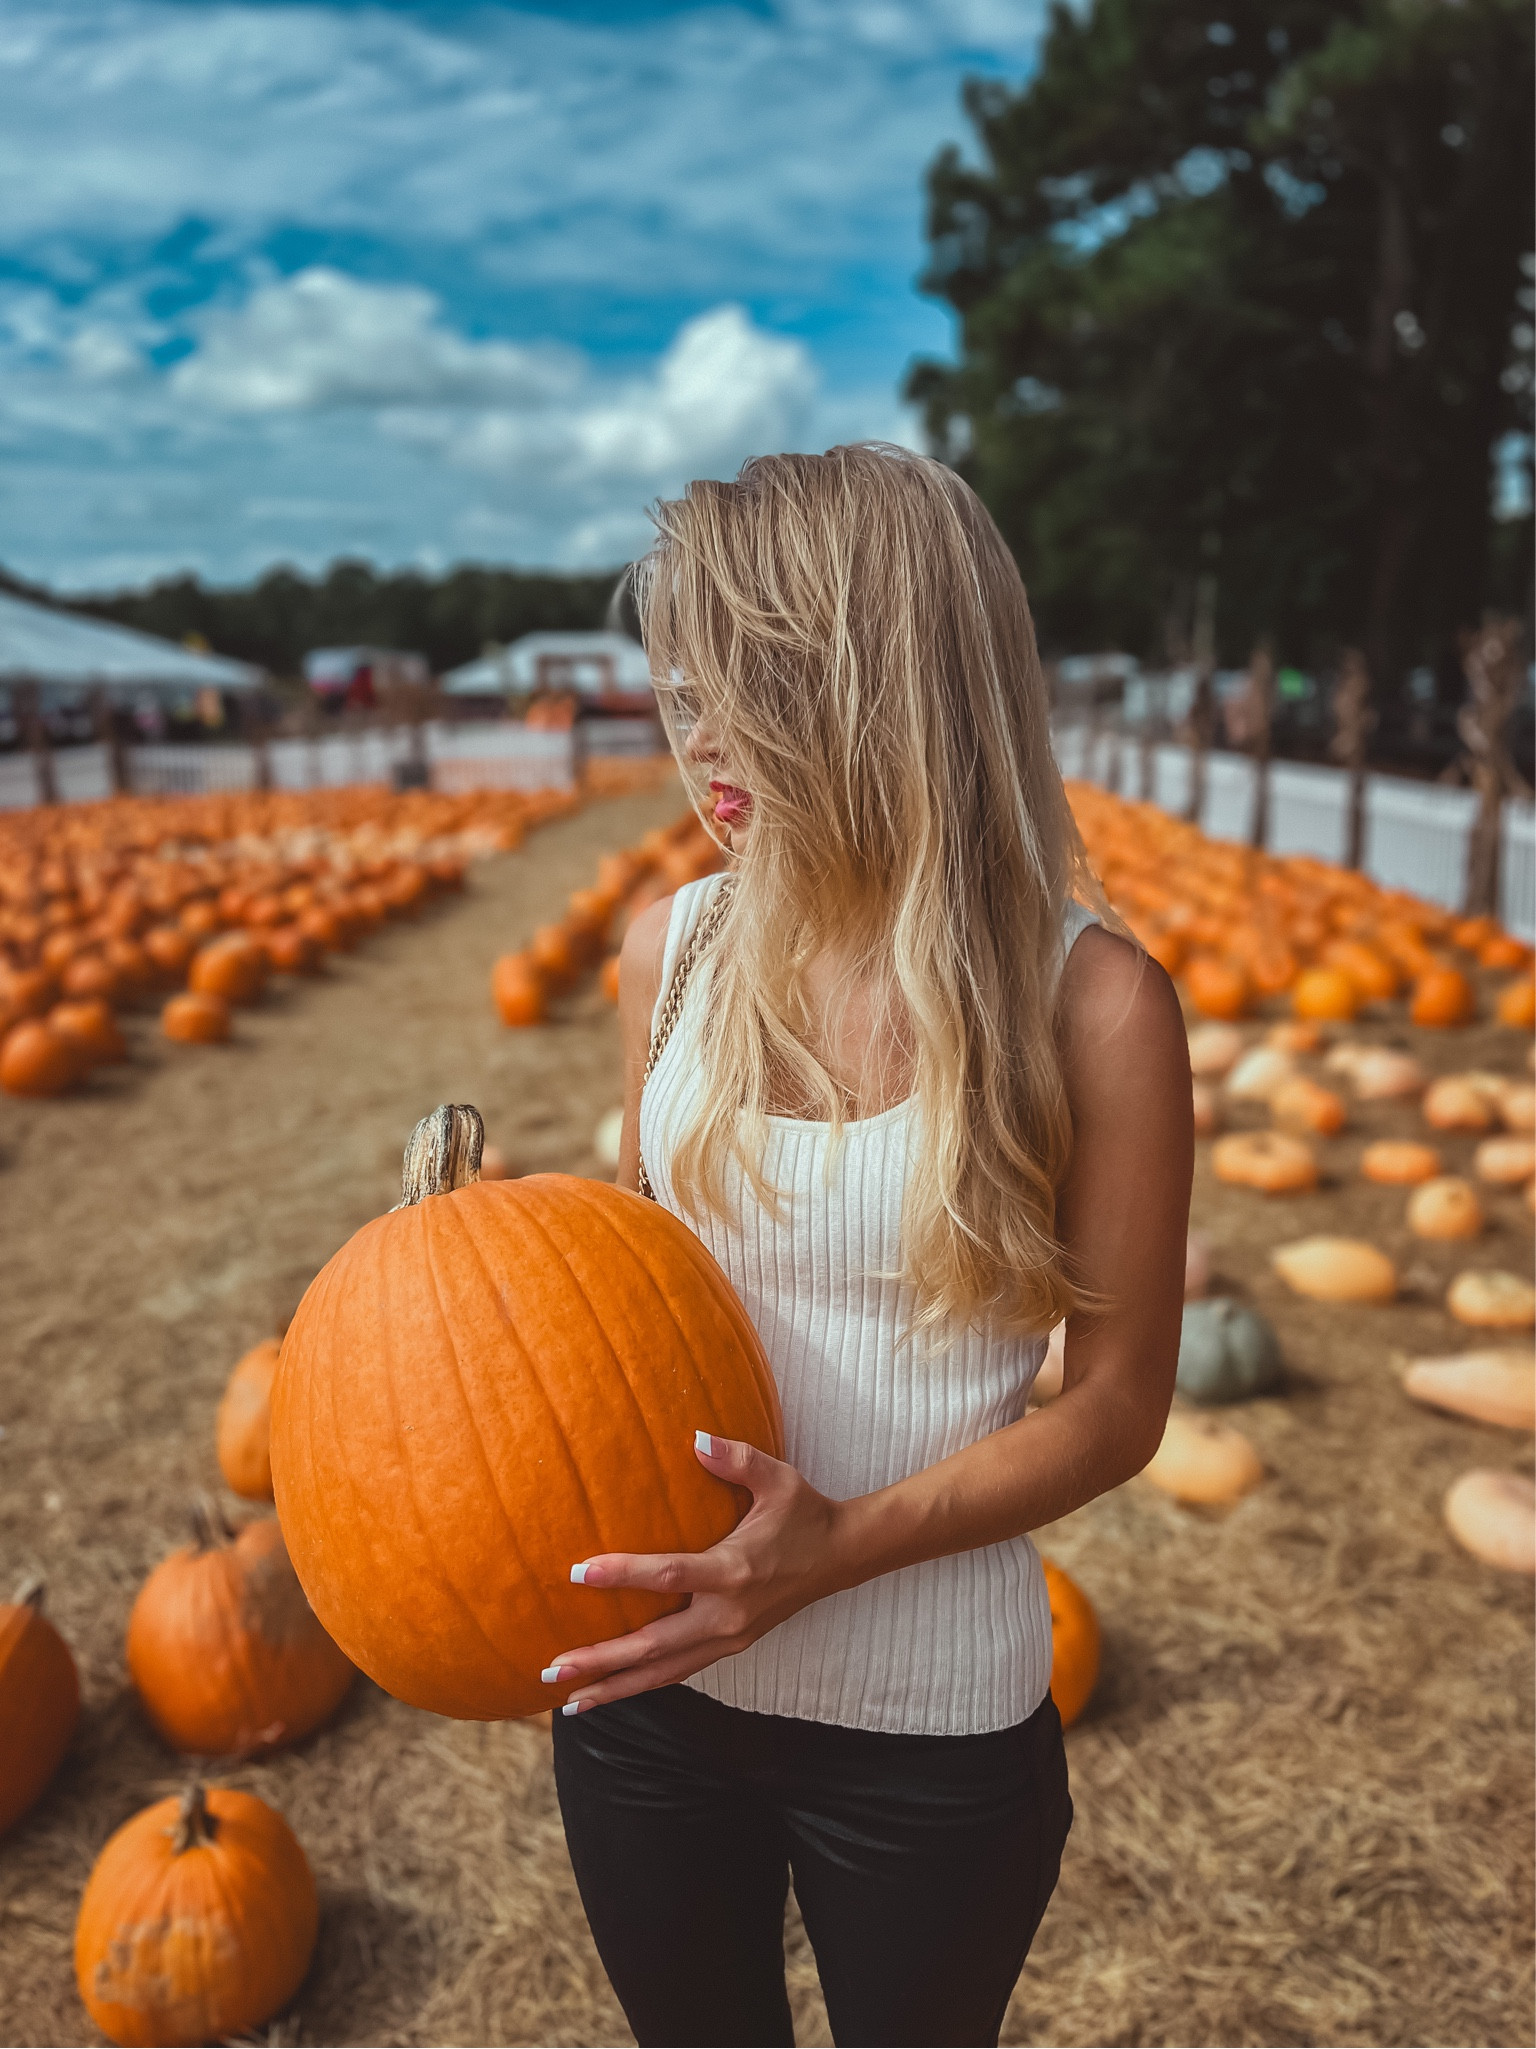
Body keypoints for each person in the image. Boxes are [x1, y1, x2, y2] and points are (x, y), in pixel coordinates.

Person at [542, 445, 1193, 2048]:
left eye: (746, 689)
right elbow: (636, 1293)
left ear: (882, 688)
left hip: (929, 1733)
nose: (701, 743)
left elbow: (1115, 1409)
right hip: (654, 1704)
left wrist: (835, 1550)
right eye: (682, 690)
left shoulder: (1094, 1005)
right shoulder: (670, 955)